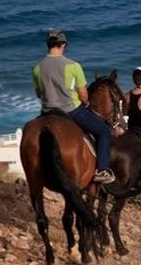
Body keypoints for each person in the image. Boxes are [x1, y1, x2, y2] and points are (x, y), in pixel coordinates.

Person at [33, 30, 115, 184]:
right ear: (63, 44)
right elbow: (83, 94)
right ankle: (102, 170)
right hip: (71, 111)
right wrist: (86, 103)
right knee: (104, 131)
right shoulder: (73, 65)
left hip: (47, 112)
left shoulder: (37, 68)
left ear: (48, 45)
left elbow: (39, 94)